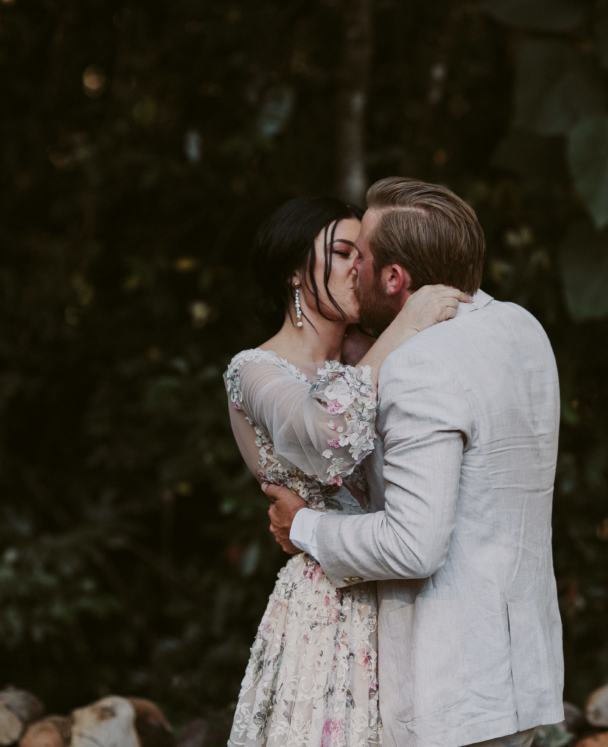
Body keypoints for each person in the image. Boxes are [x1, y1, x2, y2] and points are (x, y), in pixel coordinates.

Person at [265, 178, 565, 747]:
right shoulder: (522, 328)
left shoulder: (419, 364)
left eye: (361, 259)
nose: (352, 271)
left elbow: (413, 545)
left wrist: (302, 525)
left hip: (451, 689)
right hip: (524, 676)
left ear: (394, 279)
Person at [224, 195, 469, 747]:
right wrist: (402, 329)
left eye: (364, 254)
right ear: (293, 270)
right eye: (341, 252)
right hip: (330, 607)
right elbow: (328, 437)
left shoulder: (372, 357)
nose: (359, 267)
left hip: (409, 591)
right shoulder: (255, 370)